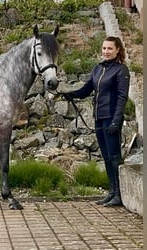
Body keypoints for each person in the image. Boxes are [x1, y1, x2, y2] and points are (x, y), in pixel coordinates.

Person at [63, 36, 130, 207]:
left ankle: (119, 195)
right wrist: (71, 93)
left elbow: (122, 97)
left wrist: (116, 121)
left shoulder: (121, 70)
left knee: (115, 157)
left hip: (111, 117)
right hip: (99, 117)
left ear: (117, 50)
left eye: (110, 48)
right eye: (104, 48)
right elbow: (86, 90)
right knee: (107, 157)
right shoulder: (98, 69)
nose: (106, 51)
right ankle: (112, 192)